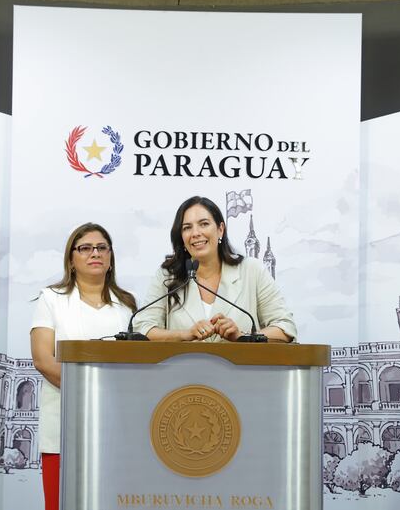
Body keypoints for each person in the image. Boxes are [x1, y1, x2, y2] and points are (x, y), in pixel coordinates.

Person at [30, 223, 136, 510]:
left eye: (102, 247)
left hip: (116, 427)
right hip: (64, 427)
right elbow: (42, 359)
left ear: (111, 257)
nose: (95, 253)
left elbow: (135, 364)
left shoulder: (127, 306)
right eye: (85, 248)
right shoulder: (51, 299)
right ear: (71, 259)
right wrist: (90, 395)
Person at [133, 196, 296, 343]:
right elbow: (142, 329)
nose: (196, 233)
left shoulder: (251, 270)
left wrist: (243, 336)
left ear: (220, 230)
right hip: (182, 374)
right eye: (187, 227)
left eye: (204, 224)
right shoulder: (167, 275)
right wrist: (185, 335)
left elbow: (285, 328)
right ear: (181, 237)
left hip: (242, 375)